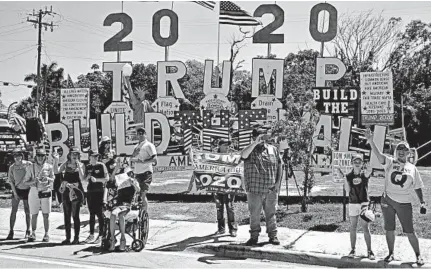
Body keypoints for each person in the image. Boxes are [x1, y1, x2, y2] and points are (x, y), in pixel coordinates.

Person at [365, 128, 427, 265]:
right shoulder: (390, 162)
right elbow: (378, 154)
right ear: (396, 151)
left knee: (409, 230)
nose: (401, 151)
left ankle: (418, 255)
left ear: (408, 152)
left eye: (404, 149)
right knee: (389, 228)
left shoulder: (412, 168)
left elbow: (417, 186)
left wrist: (422, 202)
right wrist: (370, 141)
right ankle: (391, 253)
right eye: (399, 148)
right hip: (387, 200)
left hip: (404, 203)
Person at [240, 129, 283, 246]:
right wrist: (254, 143)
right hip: (254, 190)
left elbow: (280, 165)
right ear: (253, 137)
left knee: (271, 213)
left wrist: (278, 183)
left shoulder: (273, 149)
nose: (262, 139)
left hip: (270, 189)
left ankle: (273, 236)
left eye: (263, 136)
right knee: (254, 214)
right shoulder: (249, 149)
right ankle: (254, 237)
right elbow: (243, 155)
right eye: (259, 136)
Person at [338, 154, 374, 260]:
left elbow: (368, 172)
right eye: (355, 161)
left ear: (362, 163)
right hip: (353, 203)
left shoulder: (364, 174)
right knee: (353, 227)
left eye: (359, 161)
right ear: (352, 163)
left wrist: (370, 168)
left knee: (365, 227)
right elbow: (348, 190)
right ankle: (353, 250)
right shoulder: (349, 176)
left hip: (363, 203)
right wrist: (344, 178)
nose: (357, 163)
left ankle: (369, 251)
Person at [104, 162, 140, 251]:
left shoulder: (134, 182)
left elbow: (138, 190)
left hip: (128, 204)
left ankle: (123, 239)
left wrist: (133, 184)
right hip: (119, 204)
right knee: (113, 214)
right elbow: (111, 182)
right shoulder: (120, 182)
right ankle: (112, 239)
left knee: (121, 215)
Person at [54, 146, 85, 245]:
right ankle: (68, 238)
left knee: (75, 215)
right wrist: (56, 160)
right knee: (66, 214)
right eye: (73, 154)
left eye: (76, 154)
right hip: (66, 191)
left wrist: (79, 167)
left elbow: (82, 178)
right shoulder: (66, 164)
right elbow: (56, 171)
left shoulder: (81, 165)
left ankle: (76, 238)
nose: (74, 156)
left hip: (76, 192)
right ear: (69, 155)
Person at [23, 149, 55, 242]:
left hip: (46, 191)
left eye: (42, 156)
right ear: (36, 157)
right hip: (34, 191)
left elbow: (53, 178)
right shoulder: (31, 167)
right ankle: (33, 233)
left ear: (45, 157)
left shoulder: (49, 166)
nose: (40, 158)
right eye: (39, 156)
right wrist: (34, 181)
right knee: (34, 214)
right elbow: (25, 181)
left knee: (46, 214)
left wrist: (47, 178)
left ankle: (46, 234)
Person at [83, 150, 109, 244]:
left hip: (99, 192)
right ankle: (91, 234)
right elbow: (85, 179)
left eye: (96, 156)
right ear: (89, 157)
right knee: (91, 214)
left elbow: (107, 179)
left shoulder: (101, 165)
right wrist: (88, 176)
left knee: (100, 214)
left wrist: (97, 179)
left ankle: (101, 235)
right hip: (90, 192)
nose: (95, 158)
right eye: (93, 156)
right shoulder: (88, 166)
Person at [213, 139, 237, 237]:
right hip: (217, 183)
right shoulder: (213, 156)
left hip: (229, 184)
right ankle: (221, 228)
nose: (227, 147)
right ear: (219, 146)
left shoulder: (232, 155)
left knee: (230, 206)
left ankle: (233, 228)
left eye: (228, 145)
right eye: (225, 145)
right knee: (219, 206)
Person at [6, 149, 32, 240]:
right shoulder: (12, 167)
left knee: (27, 211)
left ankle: (28, 230)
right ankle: (11, 231)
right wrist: (15, 193)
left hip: (27, 190)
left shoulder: (28, 164)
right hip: (17, 190)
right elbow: (11, 181)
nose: (18, 158)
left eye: (19, 155)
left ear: (22, 156)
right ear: (13, 157)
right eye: (16, 156)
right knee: (14, 211)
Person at [131, 127, 157, 212]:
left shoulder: (149, 145)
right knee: (136, 195)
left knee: (142, 194)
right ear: (137, 135)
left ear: (145, 134)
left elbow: (154, 159)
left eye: (142, 133)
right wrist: (133, 155)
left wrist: (143, 161)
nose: (141, 135)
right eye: (139, 133)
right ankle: (140, 213)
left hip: (146, 173)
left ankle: (145, 214)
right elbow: (131, 159)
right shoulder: (136, 146)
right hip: (137, 173)